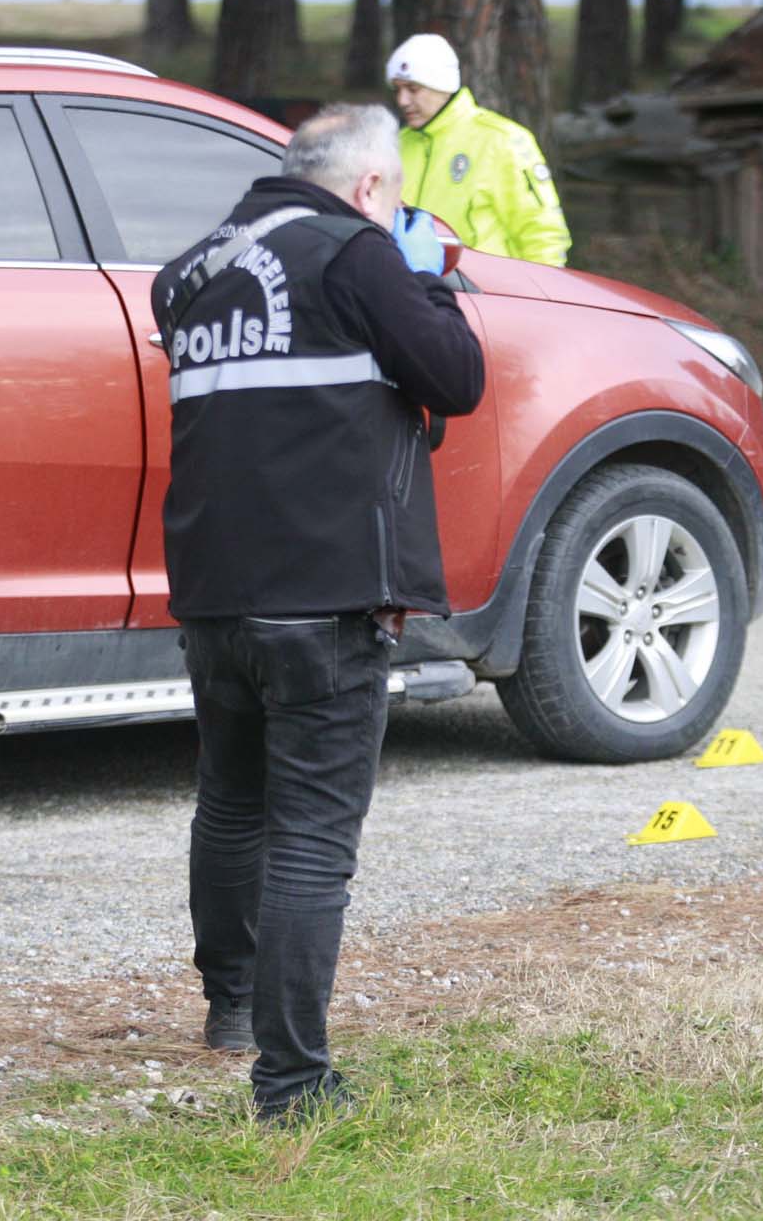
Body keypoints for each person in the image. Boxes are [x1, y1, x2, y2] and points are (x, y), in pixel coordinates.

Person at [151, 104, 485, 1124]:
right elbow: (458, 379)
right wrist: (427, 279)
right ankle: (293, 1082)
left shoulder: (190, 272)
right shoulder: (356, 252)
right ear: (372, 185)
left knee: (232, 803)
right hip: (329, 590)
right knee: (310, 838)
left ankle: (232, 1009)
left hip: (216, 588)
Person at [386, 32, 573, 267]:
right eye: (397, 89)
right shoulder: (397, 144)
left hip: (484, 286)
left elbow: (542, 232)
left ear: (443, 86)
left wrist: (542, 286)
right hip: (407, 282)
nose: (402, 100)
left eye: (413, 89)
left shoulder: (501, 140)